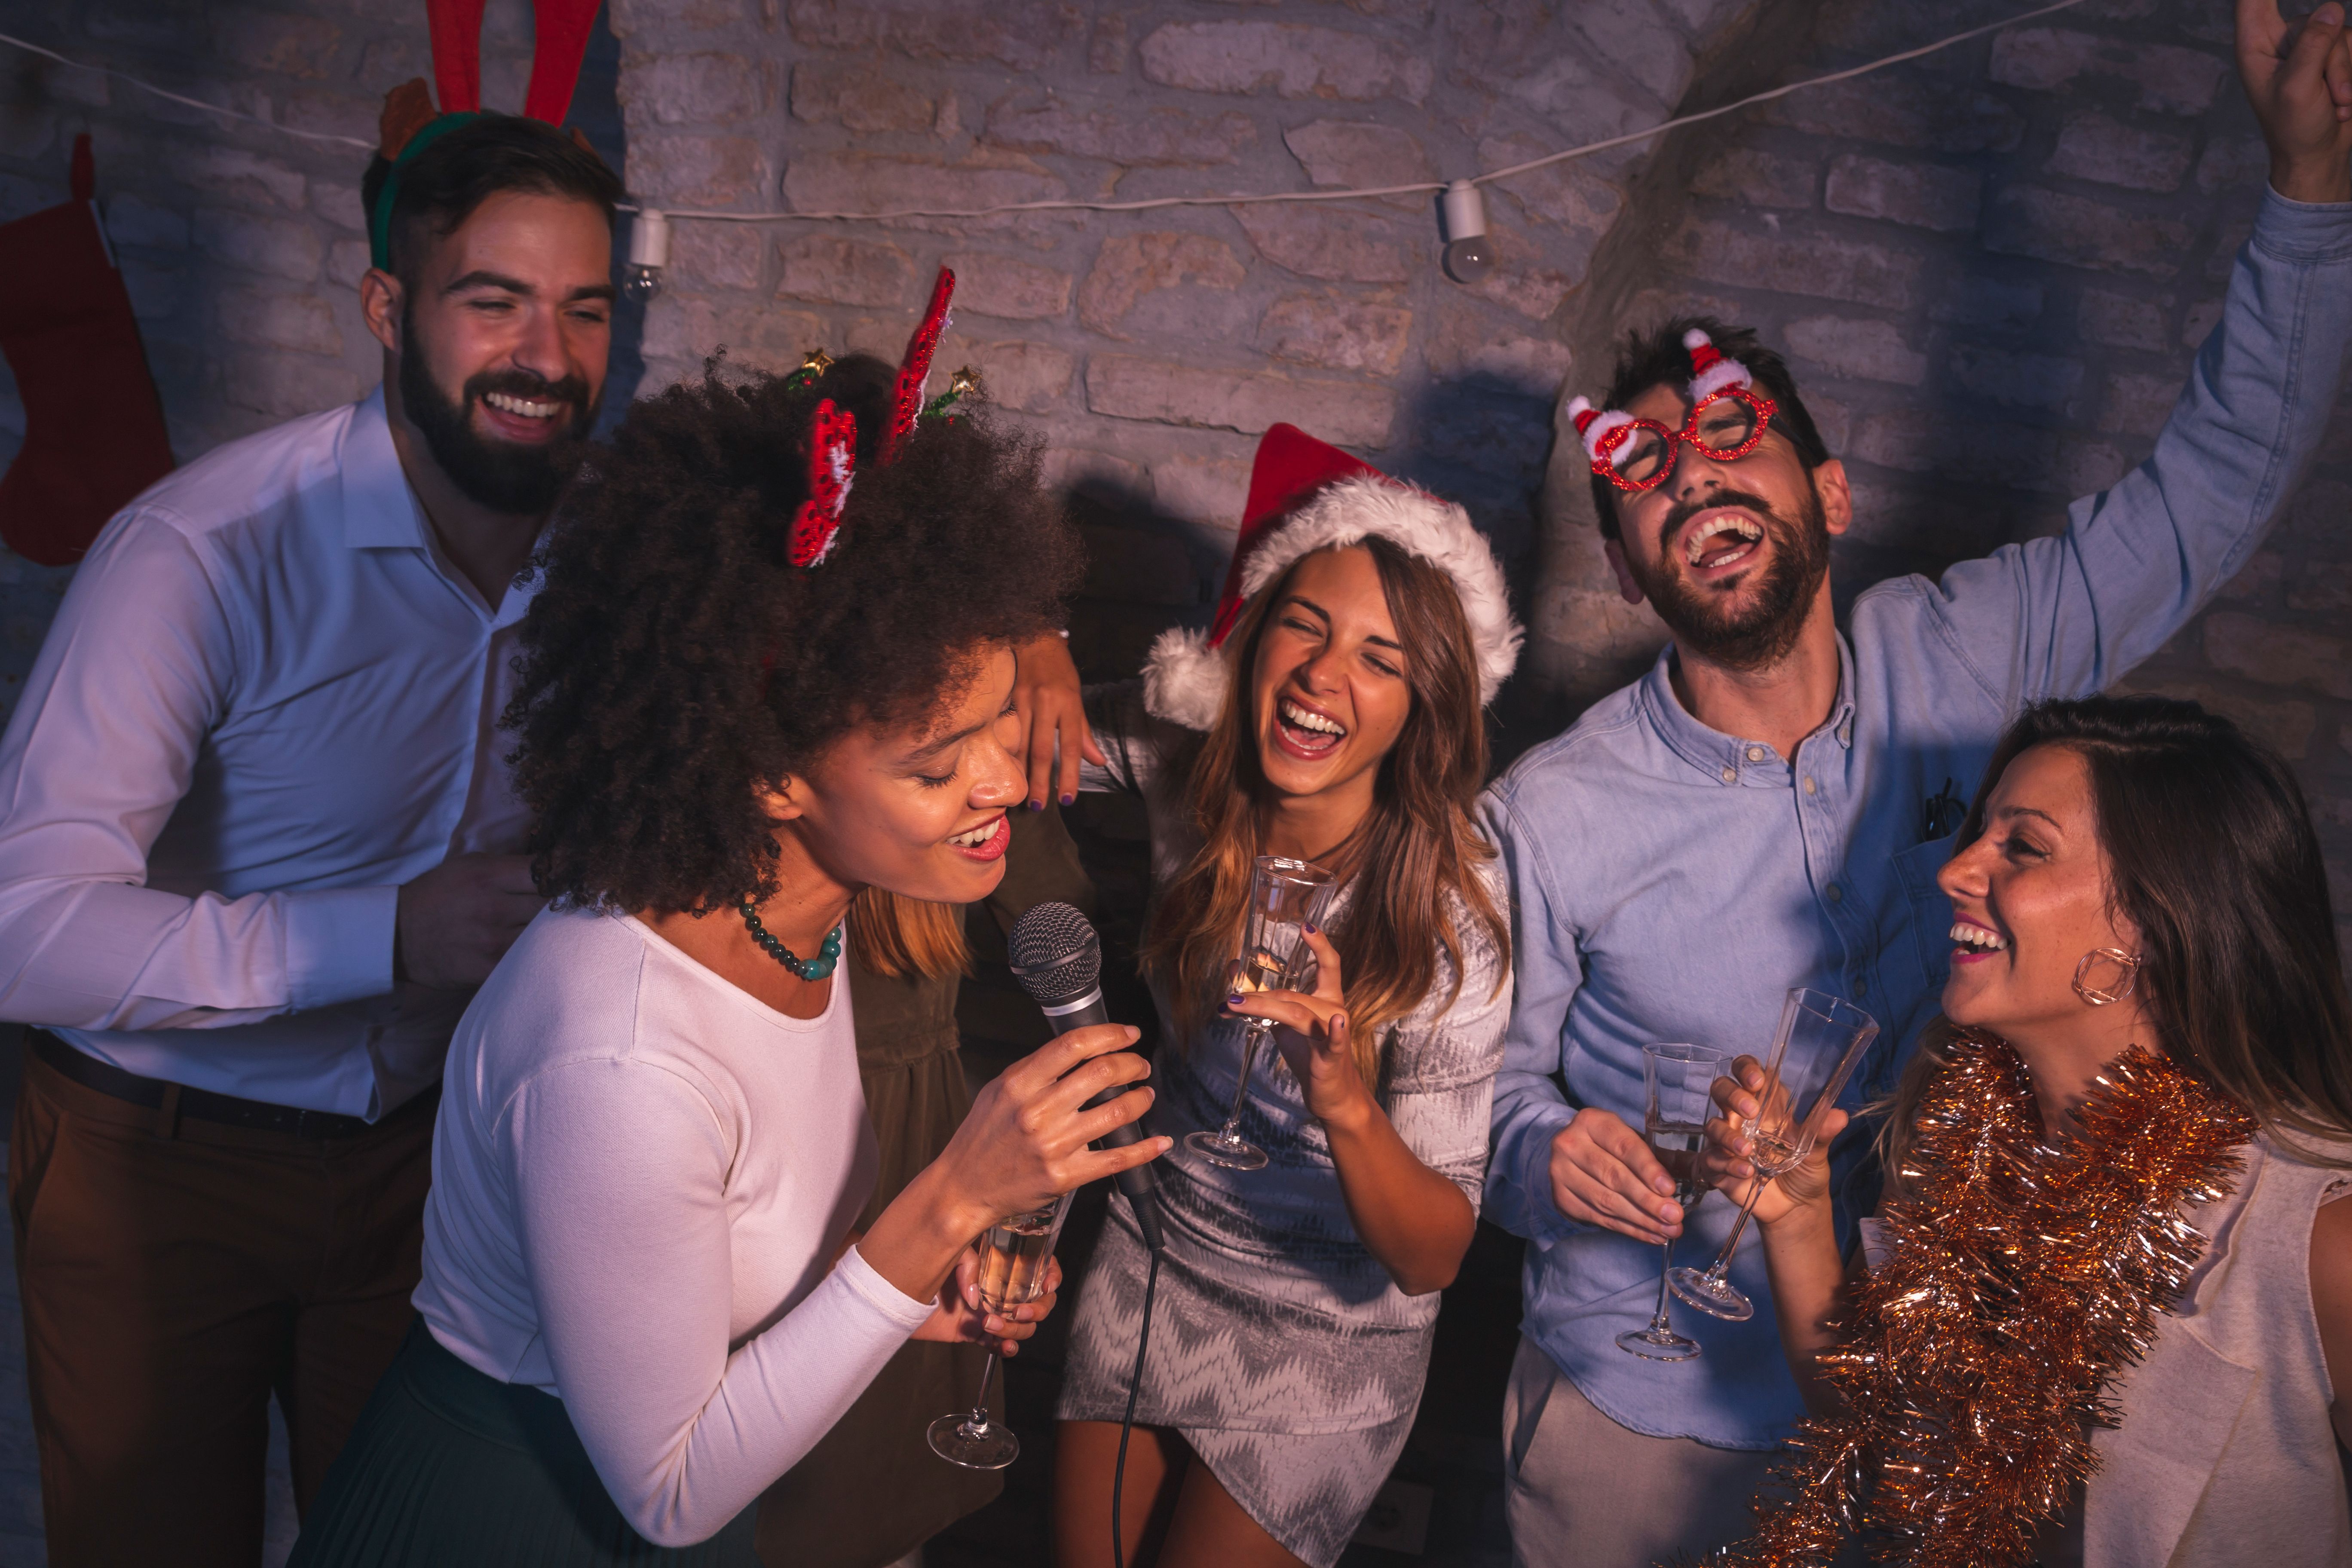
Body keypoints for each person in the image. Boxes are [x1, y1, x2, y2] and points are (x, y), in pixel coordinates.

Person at [1478, 4, 2352, 1561]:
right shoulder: (1550, 809)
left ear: (1827, 488)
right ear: (1620, 559)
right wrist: (1543, 1150)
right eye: (1646, 474)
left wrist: (2306, 187)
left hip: (1934, 1407)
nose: (1690, 477)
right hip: (1640, 1415)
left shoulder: (1973, 649)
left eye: (1730, 440)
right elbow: (1477, 1095)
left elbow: (2213, 489)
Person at [287, 349, 1170, 1565]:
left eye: (998, 726)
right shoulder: (622, 1059)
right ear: (768, 775)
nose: (1004, 784)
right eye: (935, 763)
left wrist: (916, 1303)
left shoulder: (806, 923)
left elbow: (699, 1314)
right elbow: (670, 1491)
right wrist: (951, 1199)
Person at [0, 108, 618, 1566]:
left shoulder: (618, 553)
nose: (547, 354)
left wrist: (1027, 644)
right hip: (158, 1162)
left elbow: (826, 594)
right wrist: (388, 930)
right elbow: (21, 921)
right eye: (494, 300)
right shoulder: (200, 551)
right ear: (389, 311)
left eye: (585, 308)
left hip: (428, 1165)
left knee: (417, 1546)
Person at [1703, 695, 2352, 1567]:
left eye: (2023, 846)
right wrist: (1795, 1216)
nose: (1953, 871)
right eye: (1980, 833)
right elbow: (1880, 1441)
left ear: (2151, 923)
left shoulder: (2315, 1237)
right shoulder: (1962, 1150)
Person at [1050, 425, 1522, 1568]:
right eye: (1304, 626)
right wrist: (1033, 642)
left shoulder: (1452, 910)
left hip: (1332, 1335)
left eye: (1380, 657)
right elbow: (1021, 731)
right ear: (1250, 637)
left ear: (1422, 704)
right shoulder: (1185, 761)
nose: (1322, 676)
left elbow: (1436, 1256)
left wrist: (1348, 1102)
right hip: (1158, 1250)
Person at [756, 803, 1099, 1568]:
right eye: (946, 755)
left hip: (909, 1151)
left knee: (876, 1506)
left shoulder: (972, 826)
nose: (999, 776)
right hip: (802, 1164)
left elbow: (1063, 915)